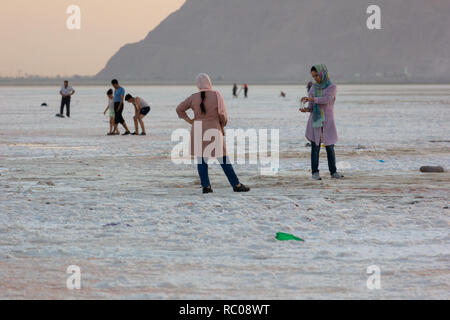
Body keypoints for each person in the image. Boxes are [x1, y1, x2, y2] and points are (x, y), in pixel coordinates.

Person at [176, 73, 250, 194]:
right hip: (213, 128)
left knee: (201, 160)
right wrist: (222, 124)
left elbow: (179, 109)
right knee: (223, 159)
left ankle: (206, 187)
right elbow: (222, 114)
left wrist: (190, 121)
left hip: (198, 129)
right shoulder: (216, 95)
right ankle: (236, 184)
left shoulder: (193, 97)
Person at [300, 64, 343, 180]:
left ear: (322, 74)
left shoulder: (332, 87)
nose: (316, 78)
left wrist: (313, 99)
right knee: (315, 147)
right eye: (313, 76)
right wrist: (306, 109)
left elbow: (327, 100)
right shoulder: (314, 88)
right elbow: (312, 106)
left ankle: (333, 172)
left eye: (317, 75)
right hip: (316, 120)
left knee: (330, 147)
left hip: (328, 121)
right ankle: (315, 173)